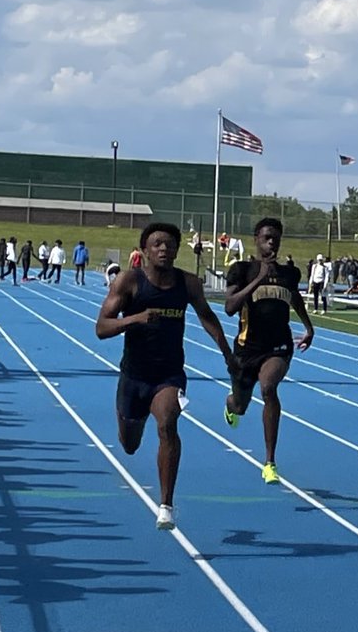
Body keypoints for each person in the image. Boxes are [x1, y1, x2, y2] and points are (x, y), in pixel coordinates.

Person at [95, 221, 234, 531]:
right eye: (157, 243)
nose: (163, 248)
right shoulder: (129, 283)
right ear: (144, 250)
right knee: (129, 444)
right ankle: (132, 421)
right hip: (134, 376)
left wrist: (228, 354)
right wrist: (135, 319)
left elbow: (208, 318)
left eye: (169, 244)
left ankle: (166, 505)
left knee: (168, 422)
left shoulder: (188, 284)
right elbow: (101, 327)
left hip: (169, 375)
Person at [223, 217, 313, 484]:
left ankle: (270, 462)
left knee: (268, 388)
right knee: (240, 405)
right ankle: (231, 405)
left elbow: (294, 298)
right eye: (266, 237)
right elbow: (229, 307)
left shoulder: (289, 273)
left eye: (275, 237)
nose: (271, 242)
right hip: (246, 349)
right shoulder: (242, 269)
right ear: (256, 239)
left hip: (278, 346)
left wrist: (309, 327)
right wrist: (258, 279)